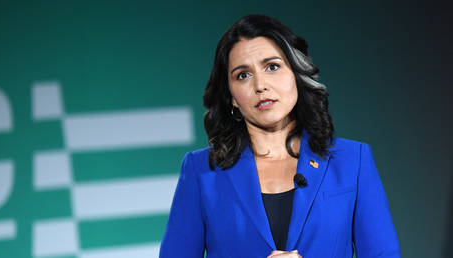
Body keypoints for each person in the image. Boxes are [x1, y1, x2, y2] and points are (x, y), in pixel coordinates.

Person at [159, 14, 400, 258]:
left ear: (295, 73)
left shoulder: (352, 161)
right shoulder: (201, 171)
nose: (260, 85)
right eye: (243, 75)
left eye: (272, 67)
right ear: (231, 96)